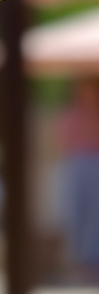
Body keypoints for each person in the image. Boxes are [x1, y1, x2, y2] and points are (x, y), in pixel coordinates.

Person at [56, 77, 99, 281]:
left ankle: (93, 260)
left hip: (95, 162)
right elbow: (62, 140)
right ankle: (78, 261)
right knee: (76, 211)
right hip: (77, 162)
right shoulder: (72, 115)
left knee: (95, 213)